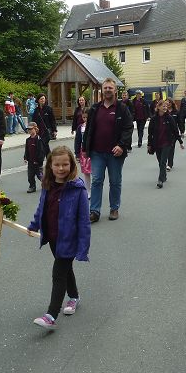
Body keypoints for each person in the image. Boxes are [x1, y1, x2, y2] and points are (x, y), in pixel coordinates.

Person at [28, 146, 91, 330]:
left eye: (65, 164)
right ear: (50, 166)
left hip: (69, 239)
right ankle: (74, 297)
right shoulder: (47, 185)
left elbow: (84, 221)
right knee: (65, 270)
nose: (61, 168)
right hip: (53, 238)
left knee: (58, 273)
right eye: (57, 164)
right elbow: (42, 208)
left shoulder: (77, 189)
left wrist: (83, 246)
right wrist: (34, 224)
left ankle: (51, 314)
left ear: (71, 165)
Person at [83, 78, 134, 223]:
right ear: (102, 90)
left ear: (115, 90)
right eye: (105, 88)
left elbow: (128, 128)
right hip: (97, 152)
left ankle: (114, 208)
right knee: (97, 181)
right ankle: (94, 211)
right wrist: (85, 149)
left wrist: (121, 145)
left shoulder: (122, 108)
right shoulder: (94, 108)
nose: (107, 90)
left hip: (115, 153)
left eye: (110, 88)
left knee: (115, 181)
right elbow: (89, 130)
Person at [147, 100, 184, 188]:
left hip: (167, 143)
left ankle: (160, 180)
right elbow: (150, 133)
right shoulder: (153, 119)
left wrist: (180, 142)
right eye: (163, 106)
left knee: (163, 161)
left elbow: (175, 130)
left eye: (166, 106)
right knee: (160, 162)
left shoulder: (169, 118)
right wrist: (149, 144)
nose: (165, 107)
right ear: (158, 107)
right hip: (157, 143)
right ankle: (164, 176)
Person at [24, 122, 46, 193]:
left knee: (40, 175)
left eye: (31, 129)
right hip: (30, 162)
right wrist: (25, 157)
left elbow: (41, 151)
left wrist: (39, 160)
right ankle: (32, 186)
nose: (29, 131)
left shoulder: (39, 139)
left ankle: (46, 184)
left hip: (37, 162)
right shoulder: (28, 140)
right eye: (28, 130)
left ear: (35, 129)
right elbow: (27, 150)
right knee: (30, 176)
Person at [74, 108, 91, 195]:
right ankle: (88, 190)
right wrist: (77, 153)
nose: (85, 119)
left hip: (93, 151)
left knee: (95, 172)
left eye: (87, 117)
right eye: (84, 117)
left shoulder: (94, 126)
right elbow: (77, 141)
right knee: (86, 172)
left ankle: (95, 188)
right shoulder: (80, 127)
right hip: (83, 151)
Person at [166, 99, 180, 170]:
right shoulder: (163, 112)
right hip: (164, 133)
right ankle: (164, 162)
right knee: (165, 148)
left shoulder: (176, 112)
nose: (167, 103)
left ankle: (170, 164)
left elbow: (180, 122)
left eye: (169, 102)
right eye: (166, 102)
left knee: (171, 148)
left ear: (172, 103)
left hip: (173, 133)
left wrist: (182, 131)